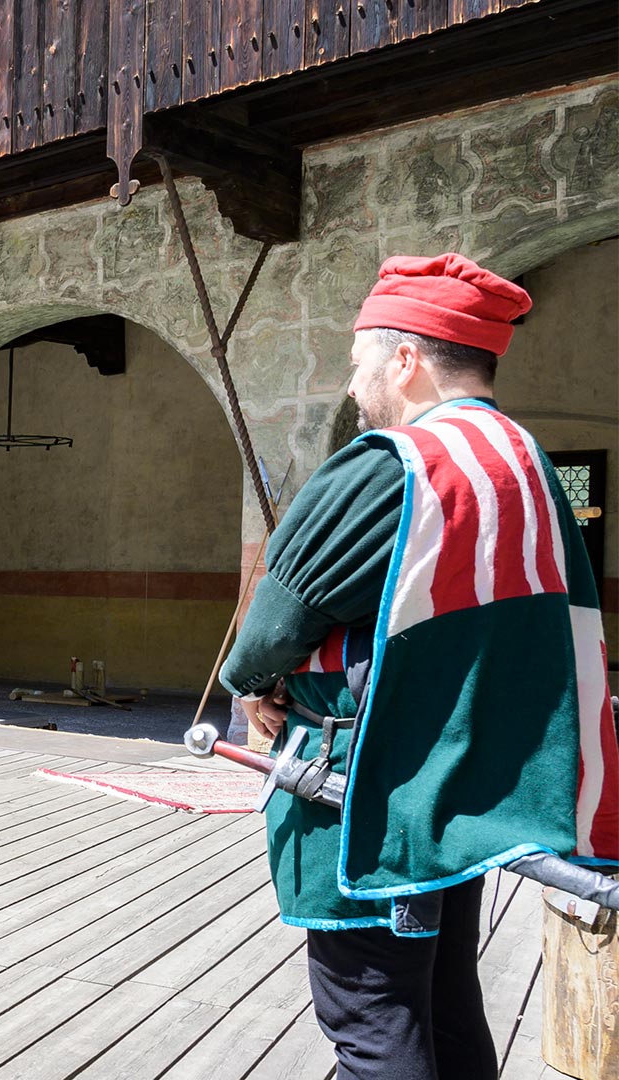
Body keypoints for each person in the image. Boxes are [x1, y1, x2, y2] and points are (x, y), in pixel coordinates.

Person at [220, 254, 617, 1080]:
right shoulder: (529, 465)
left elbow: (269, 631)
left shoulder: (390, 464)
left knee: (373, 1027)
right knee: (443, 1006)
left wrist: (252, 685)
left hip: (369, 796)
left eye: (361, 360)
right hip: (465, 796)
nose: (354, 381)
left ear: (406, 360)